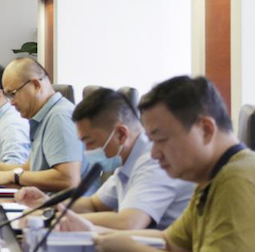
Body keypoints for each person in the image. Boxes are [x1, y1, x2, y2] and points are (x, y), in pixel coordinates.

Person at [93, 76, 255, 252]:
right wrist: (95, 235)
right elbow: (170, 241)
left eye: (160, 140)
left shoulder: (236, 177)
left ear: (205, 129)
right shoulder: (212, 177)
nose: (154, 154)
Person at [17, 88, 193, 231]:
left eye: (90, 142)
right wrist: (48, 204)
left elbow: (128, 223)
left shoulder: (151, 162)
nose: (86, 151)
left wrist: (54, 218)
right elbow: (93, 205)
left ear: (121, 134)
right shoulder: (127, 160)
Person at [0, 57, 84, 192]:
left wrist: (15, 176)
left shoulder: (59, 117)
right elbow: (30, 168)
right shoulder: (43, 117)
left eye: (13, 94)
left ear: (36, 85)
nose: (11, 102)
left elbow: (68, 179)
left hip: (61, 204)